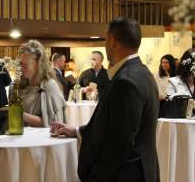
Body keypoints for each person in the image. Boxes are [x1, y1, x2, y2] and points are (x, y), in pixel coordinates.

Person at [52, 17, 160, 182]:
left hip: (126, 174)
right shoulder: (143, 73)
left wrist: (97, 176)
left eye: (105, 39)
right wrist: (77, 131)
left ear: (113, 41)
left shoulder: (126, 81)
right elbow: (113, 124)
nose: (105, 44)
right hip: (142, 169)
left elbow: (120, 142)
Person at [17, 40, 65, 127]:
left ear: (37, 64)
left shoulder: (50, 86)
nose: (22, 68)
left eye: (26, 64)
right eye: (21, 64)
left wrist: (20, 114)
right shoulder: (23, 85)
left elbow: (53, 123)